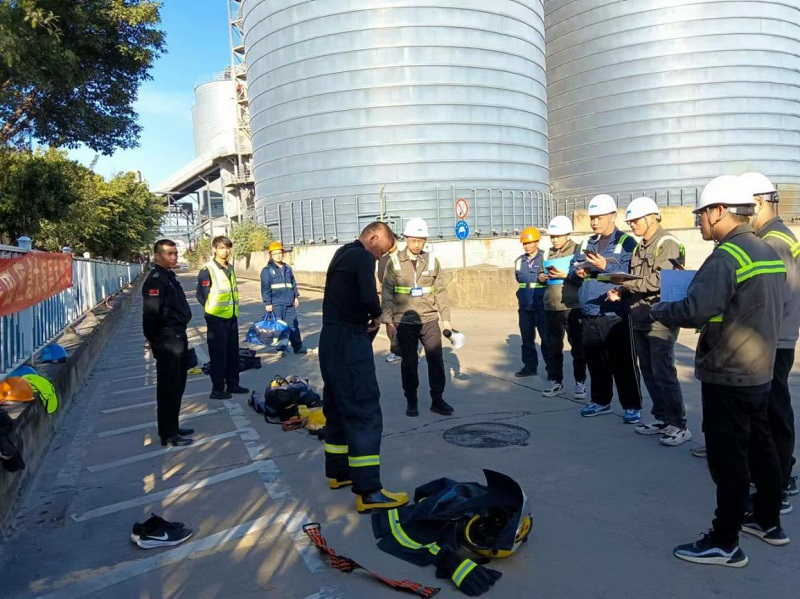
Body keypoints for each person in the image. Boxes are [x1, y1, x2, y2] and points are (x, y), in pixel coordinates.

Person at [651, 175, 787, 567]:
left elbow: (694, 310)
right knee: (763, 451)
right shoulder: (765, 250)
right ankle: (768, 521)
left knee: (729, 462)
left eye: (702, 214)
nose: (699, 222)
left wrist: (660, 309)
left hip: (728, 372)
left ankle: (725, 542)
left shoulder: (726, 256)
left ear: (719, 211)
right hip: (760, 370)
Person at [320, 221, 409, 513]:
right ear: (373, 237)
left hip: (330, 338)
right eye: (380, 252)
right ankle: (369, 491)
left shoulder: (342, 253)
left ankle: (339, 472)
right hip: (349, 339)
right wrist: (375, 316)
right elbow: (370, 298)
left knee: (336, 406)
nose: (378, 258)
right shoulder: (360, 257)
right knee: (364, 409)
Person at [607, 197, 692, 446]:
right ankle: (662, 417)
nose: (632, 225)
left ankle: (678, 424)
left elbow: (659, 281)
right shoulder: (639, 247)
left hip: (660, 318)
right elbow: (637, 278)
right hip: (640, 315)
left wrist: (624, 283)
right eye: (630, 221)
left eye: (635, 220)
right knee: (649, 371)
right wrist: (621, 291)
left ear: (652, 217)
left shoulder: (668, 244)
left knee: (664, 371)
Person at [740, 171, 800, 514]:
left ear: (759, 203)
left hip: (773, 338)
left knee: (772, 410)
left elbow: (768, 297)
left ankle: (778, 483)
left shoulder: (772, 242)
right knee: (774, 407)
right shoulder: (779, 236)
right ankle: (779, 472)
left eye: (745, 209)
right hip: (779, 335)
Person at [567, 194, 642, 421]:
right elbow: (572, 267)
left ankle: (632, 406)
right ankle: (600, 401)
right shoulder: (585, 242)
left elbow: (632, 270)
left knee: (623, 363)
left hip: (615, 313)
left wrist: (603, 266)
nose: (595, 222)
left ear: (612, 216)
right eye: (592, 218)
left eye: (599, 217)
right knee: (595, 361)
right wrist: (578, 270)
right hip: (590, 310)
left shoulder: (626, 242)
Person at [382, 217, 455, 417]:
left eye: (421, 240)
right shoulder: (394, 262)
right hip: (404, 320)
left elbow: (440, 291)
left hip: (429, 319)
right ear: (406, 238)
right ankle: (411, 400)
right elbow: (387, 292)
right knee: (409, 363)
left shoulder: (432, 261)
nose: (417, 245)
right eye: (413, 240)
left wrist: (446, 319)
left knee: (436, 361)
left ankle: (437, 399)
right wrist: (388, 321)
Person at [142, 239, 194, 447]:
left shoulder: (168, 277)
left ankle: (173, 425)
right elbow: (151, 315)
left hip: (178, 337)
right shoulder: (155, 280)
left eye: (175, 253)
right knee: (168, 388)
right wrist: (153, 339)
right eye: (169, 254)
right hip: (167, 339)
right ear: (157, 256)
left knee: (178, 385)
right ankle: (168, 434)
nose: (174, 257)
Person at [196, 236, 249, 400]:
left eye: (227, 248)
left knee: (232, 353)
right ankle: (217, 388)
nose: (225, 251)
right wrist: (211, 309)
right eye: (221, 248)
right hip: (216, 318)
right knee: (219, 355)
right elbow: (201, 295)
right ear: (215, 250)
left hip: (231, 316)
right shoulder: (208, 269)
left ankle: (233, 384)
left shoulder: (230, 268)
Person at [541, 216, 586, 399]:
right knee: (553, 347)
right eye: (552, 236)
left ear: (567, 234)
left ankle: (580, 383)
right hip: (551, 307)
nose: (554, 240)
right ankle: (556, 382)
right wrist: (541, 278)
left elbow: (582, 275)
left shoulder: (577, 250)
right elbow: (539, 274)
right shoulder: (546, 253)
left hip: (572, 306)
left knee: (577, 347)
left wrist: (565, 274)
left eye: (558, 236)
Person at [514, 227, 549, 379]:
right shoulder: (518, 262)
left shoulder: (545, 258)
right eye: (525, 243)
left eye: (530, 242)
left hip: (542, 307)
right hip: (525, 307)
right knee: (527, 340)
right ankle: (530, 367)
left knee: (546, 340)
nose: (527, 246)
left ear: (537, 242)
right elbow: (519, 280)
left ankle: (552, 370)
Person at [260, 240, 306, 355]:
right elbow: (265, 288)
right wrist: (268, 303)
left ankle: (298, 347)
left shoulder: (287, 268)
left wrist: (296, 296)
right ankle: (281, 349)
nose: (278, 255)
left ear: (283, 253)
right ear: (271, 255)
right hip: (276, 304)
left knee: (293, 326)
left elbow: (293, 283)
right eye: (275, 253)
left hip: (289, 303)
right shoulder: (267, 270)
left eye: (280, 253)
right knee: (279, 327)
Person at [377, 236, 402, 363]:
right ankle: (396, 350)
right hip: (389, 297)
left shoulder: (404, 257)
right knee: (390, 324)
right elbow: (382, 278)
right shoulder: (383, 260)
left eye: (393, 241)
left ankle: (411, 352)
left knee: (407, 325)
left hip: (405, 299)